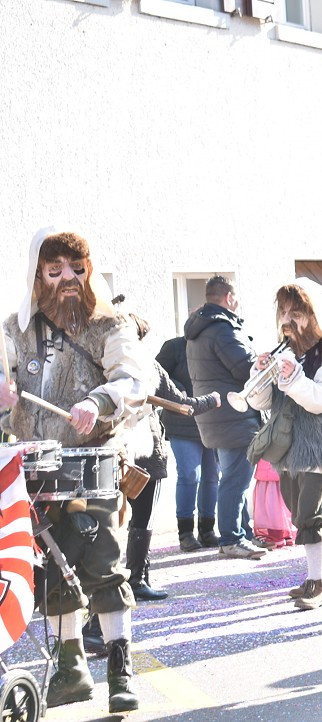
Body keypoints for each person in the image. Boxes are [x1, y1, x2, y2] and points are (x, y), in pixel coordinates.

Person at [0, 227, 149, 712]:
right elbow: (8, 406)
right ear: (38, 273)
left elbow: (131, 380)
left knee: (105, 566)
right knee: (52, 571)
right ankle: (70, 668)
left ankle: (119, 671)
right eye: (55, 268)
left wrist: (97, 399)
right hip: (34, 468)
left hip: (95, 463)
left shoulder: (111, 323)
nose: (68, 278)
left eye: (76, 268)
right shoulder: (14, 330)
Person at [248, 279, 322, 610]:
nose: (289, 319)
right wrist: (260, 373)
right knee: (297, 515)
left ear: (314, 314)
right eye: (285, 311)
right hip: (289, 449)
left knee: (311, 516)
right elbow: (261, 402)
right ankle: (318, 571)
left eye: (297, 312)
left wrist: (293, 379)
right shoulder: (285, 353)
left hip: (320, 448)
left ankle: (317, 582)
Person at [125, 313, 220, 600]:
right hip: (141, 451)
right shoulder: (145, 365)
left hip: (117, 452)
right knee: (142, 517)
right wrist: (213, 400)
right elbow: (183, 405)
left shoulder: (106, 365)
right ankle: (137, 581)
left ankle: (133, 579)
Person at [185, 276, 266, 559]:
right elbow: (245, 370)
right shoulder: (223, 329)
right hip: (235, 414)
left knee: (232, 477)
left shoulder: (199, 329)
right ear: (229, 297)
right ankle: (232, 538)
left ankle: (242, 532)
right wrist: (261, 361)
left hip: (215, 415)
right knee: (236, 479)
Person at [157, 330, 221, 551]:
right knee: (190, 475)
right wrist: (177, 388)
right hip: (181, 422)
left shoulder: (216, 346)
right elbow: (155, 375)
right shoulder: (174, 346)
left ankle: (208, 530)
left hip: (212, 421)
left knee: (212, 477)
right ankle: (185, 533)